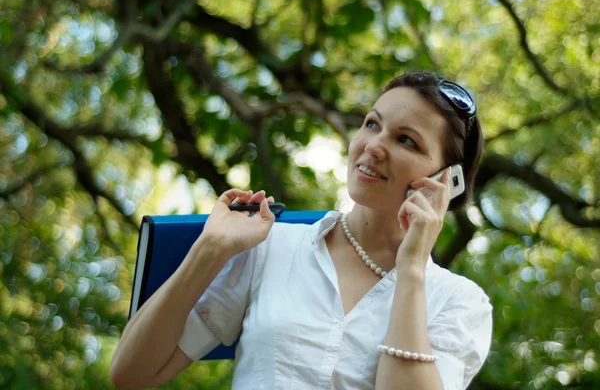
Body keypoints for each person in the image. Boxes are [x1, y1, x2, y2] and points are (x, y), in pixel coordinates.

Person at [110, 71, 493, 390]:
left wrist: (411, 269)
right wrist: (210, 248)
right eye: (372, 123)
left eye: (405, 140)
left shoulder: (459, 303)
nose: (373, 146)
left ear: (446, 180)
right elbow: (131, 374)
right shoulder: (271, 246)